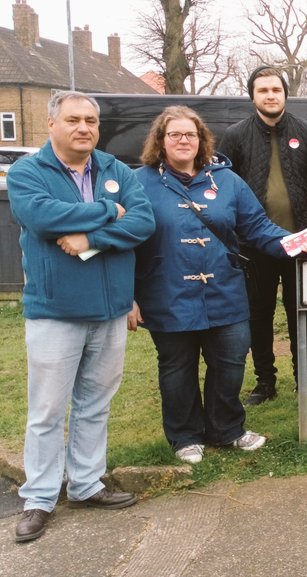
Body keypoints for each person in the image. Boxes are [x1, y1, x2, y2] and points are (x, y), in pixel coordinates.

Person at [130, 106, 307, 465]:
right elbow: (125, 243)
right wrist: (129, 296)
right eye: (175, 134)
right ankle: (185, 436)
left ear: (202, 140)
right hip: (168, 293)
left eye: (191, 134)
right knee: (176, 367)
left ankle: (226, 429)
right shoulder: (140, 184)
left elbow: (259, 227)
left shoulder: (227, 181)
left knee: (230, 361)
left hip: (225, 290)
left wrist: (294, 243)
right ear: (160, 140)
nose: (183, 140)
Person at [8, 91, 155, 543]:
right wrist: (109, 211)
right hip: (55, 311)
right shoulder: (27, 172)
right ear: (51, 125)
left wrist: (90, 239)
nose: (84, 128)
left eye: (91, 120)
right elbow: (42, 217)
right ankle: (39, 498)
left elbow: (144, 222)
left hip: (110, 309)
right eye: (73, 119)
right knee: (48, 410)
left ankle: (87, 484)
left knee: (95, 404)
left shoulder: (115, 169)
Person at [219, 66, 307, 405]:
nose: (270, 95)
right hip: (255, 245)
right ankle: (265, 382)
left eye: (276, 90)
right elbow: (224, 188)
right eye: (263, 90)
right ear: (252, 95)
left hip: (300, 243)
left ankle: (305, 378)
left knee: (300, 310)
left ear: (285, 93)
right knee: (259, 312)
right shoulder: (235, 136)